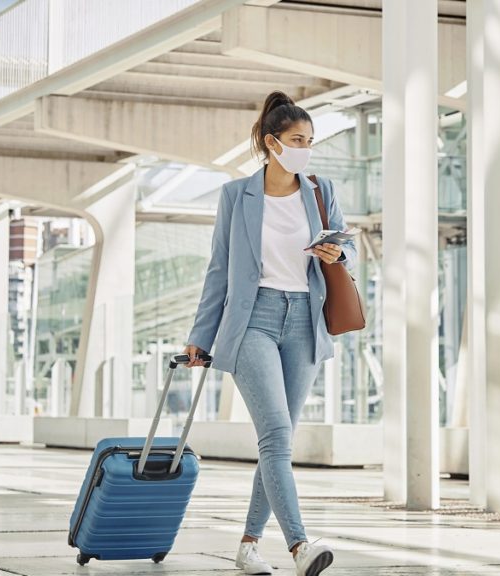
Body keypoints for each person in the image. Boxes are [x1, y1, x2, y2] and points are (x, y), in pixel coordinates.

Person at [184, 91, 355, 576]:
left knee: (275, 441)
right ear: (270, 142)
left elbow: (347, 250)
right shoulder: (236, 195)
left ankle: (248, 545)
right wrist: (201, 335)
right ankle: (300, 546)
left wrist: (337, 255)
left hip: (304, 318)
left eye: (311, 141)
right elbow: (219, 269)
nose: (306, 148)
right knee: (277, 435)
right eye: (297, 139)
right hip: (253, 318)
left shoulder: (320, 191)